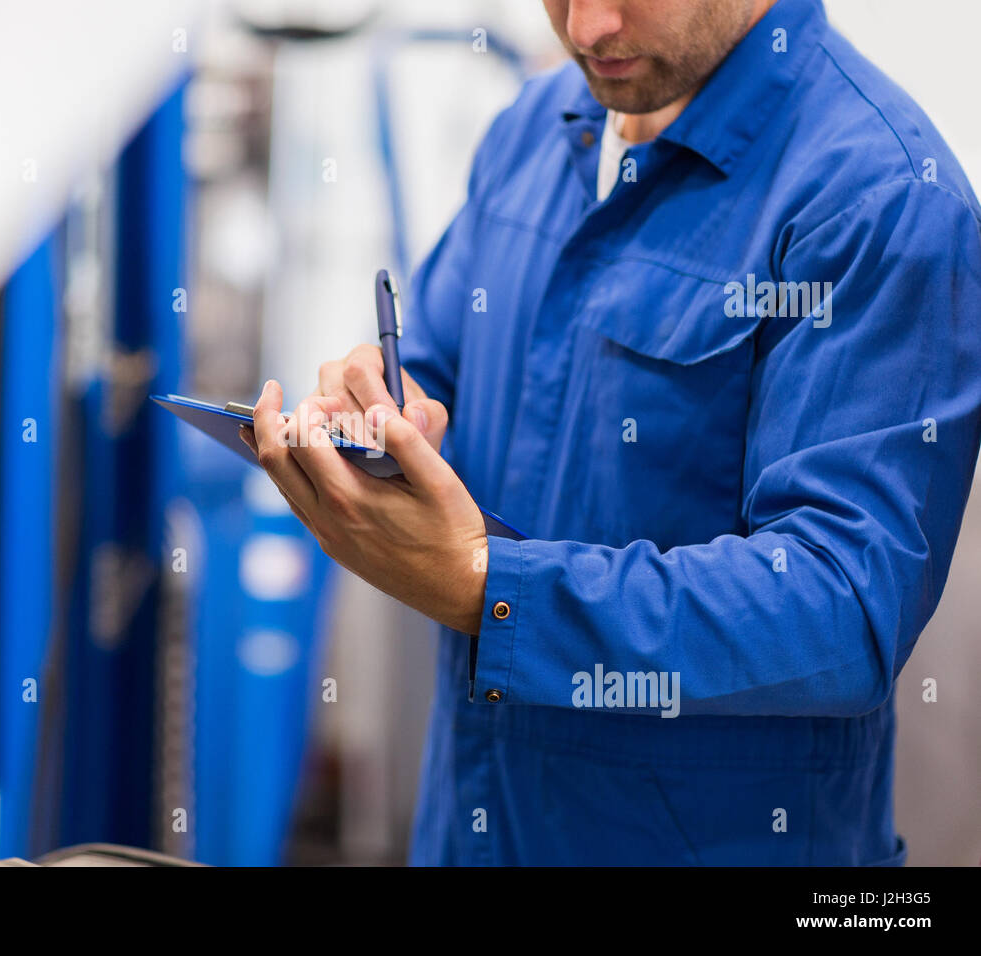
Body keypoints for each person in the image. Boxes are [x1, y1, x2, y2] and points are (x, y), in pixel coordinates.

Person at [243, 0, 981, 864]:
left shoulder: (875, 199)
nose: (587, 28)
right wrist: (380, 411)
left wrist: (493, 589)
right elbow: (438, 363)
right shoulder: (536, 128)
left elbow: (841, 610)